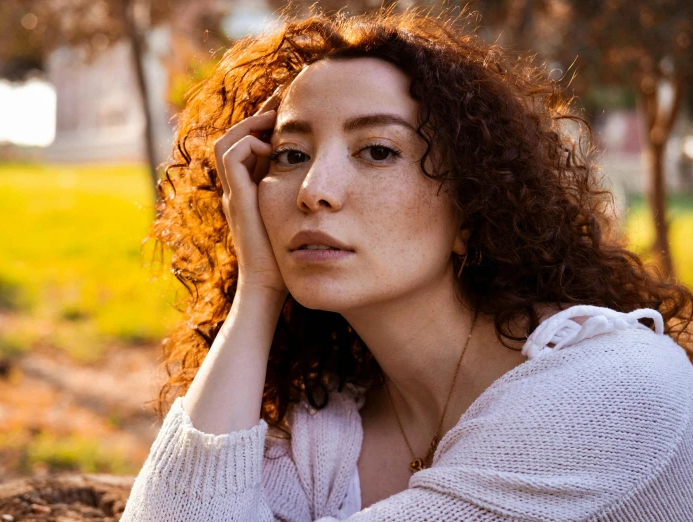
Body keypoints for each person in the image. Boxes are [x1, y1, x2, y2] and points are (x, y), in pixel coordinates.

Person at [120, 8, 693, 521]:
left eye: (377, 151)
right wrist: (258, 290)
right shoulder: (328, 433)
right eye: (292, 155)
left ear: (472, 208)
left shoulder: (611, 394)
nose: (314, 190)